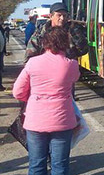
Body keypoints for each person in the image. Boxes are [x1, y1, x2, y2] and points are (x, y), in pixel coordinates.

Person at [13, 27, 80, 174]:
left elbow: (17, 91)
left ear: (45, 43)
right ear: (65, 43)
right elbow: (75, 78)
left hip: (36, 120)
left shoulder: (33, 63)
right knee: (60, 165)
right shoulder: (71, 64)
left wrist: (31, 100)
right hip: (62, 120)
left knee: (36, 164)